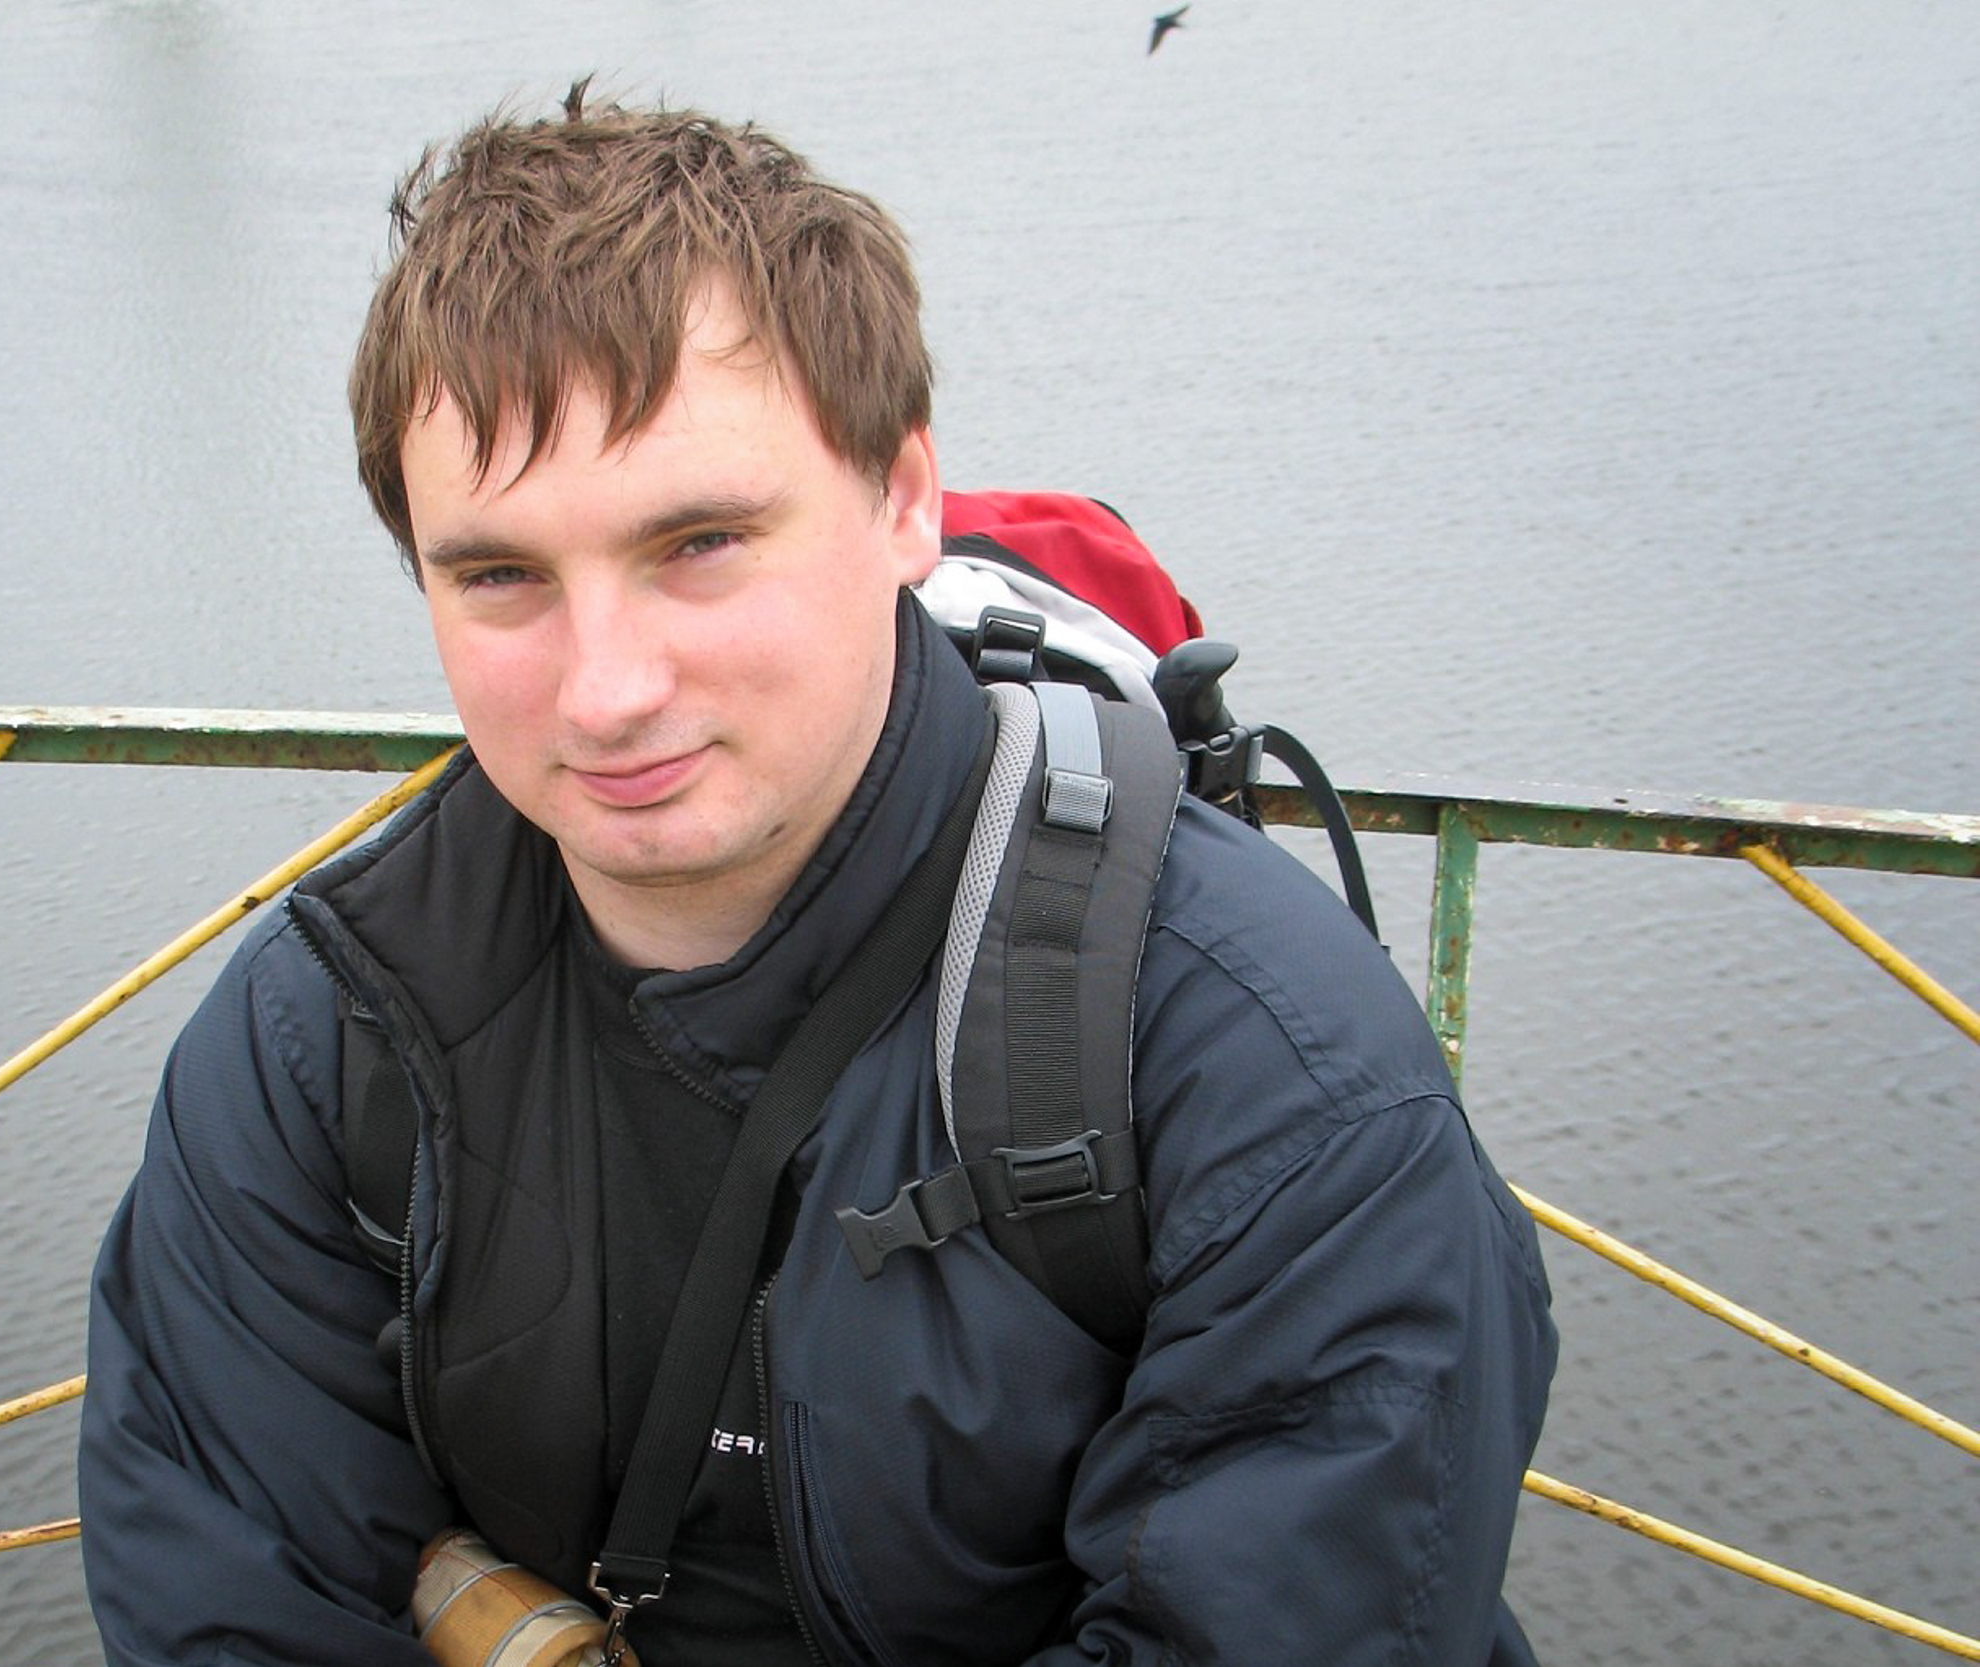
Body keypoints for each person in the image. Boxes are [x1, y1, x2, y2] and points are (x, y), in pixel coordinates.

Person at [78, 86, 1557, 1667]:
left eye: (700, 544)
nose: (605, 691)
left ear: (903, 499)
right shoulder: (323, 1039)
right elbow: (235, 1607)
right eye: (501, 575)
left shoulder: (1266, 1074)